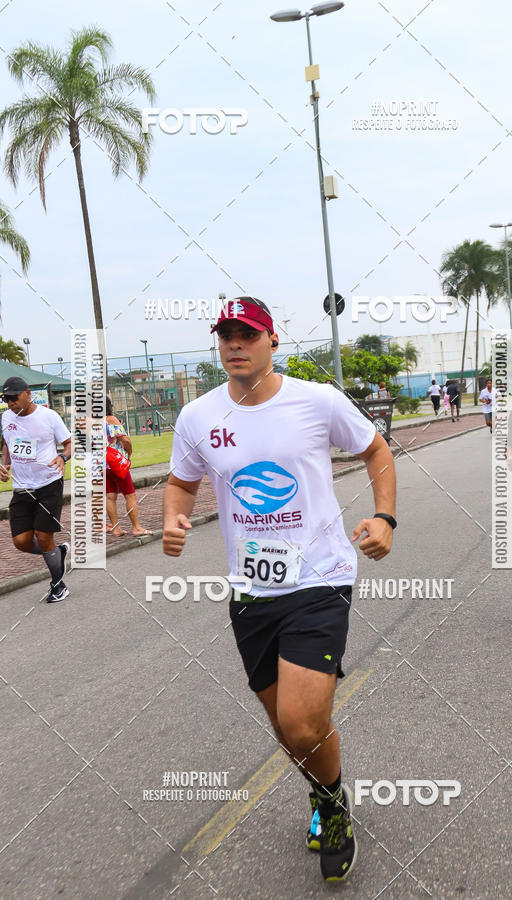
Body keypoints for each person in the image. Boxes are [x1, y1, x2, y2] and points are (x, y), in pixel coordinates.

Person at [163, 297, 396, 882]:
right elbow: (180, 480)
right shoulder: (198, 417)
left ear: (272, 342)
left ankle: (335, 806)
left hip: (320, 577)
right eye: (226, 335)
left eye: (247, 334)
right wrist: (173, 517)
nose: (234, 344)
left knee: (300, 720)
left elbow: (375, 449)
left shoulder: (315, 401)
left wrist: (385, 518)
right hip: (252, 590)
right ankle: (322, 794)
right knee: (284, 726)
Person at [0, 376, 71, 602]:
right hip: (22, 487)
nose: (10, 403)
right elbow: (7, 443)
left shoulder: (49, 417)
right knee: (21, 542)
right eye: (5, 398)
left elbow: (70, 443)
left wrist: (62, 457)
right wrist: (4, 463)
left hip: (48, 483)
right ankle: (57, 553)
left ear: (28, 394)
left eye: (14, 397)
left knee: (43, 535)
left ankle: (58, 585)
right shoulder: (6, 417)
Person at [105, 397, 152, 537]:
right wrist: (129, 452)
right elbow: (124, 439)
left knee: (110, 497)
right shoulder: (110, 419)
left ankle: (116, 528)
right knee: (129, 494)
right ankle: (136, 527)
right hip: (116, 462)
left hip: (101, 464)